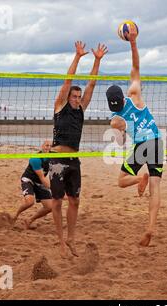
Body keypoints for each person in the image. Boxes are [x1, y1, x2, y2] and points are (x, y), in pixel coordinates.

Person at [106, 24, 163, 247]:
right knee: (156, 186)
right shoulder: (134, 94)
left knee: (121, 181)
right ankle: (150, 228)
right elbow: (136, 66)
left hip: (141, 145)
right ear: (122, 96)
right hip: (156, 141)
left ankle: (140, 178)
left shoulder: (115, 119)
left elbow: (120, 143)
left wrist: (120, 130)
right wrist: (133, 42)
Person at [49, 41, 108, 258]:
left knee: (75, 200)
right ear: (67, 97)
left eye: (77, 96)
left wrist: (97, 60)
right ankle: (61, 242)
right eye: (73, 96)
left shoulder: (81, 109)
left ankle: (71, 238)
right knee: (57, 201)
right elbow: (68, 80)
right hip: (57, 160)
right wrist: (77, 57)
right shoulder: (60, 106)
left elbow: (91, 85)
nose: (76, 98)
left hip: (73, 160)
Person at [13, 140, 52, 229]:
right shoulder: (35, 159)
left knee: (50, 207)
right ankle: (15, 215)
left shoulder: (52, 156)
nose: (48, 147)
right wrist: (56, 191)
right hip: (29, 180)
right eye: (46, 145)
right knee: (30, 202)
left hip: (39, 182)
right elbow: (42, 178)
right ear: (42, 146)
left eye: (50, 146)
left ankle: (30, 220)